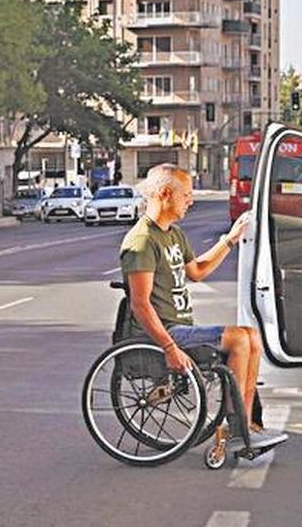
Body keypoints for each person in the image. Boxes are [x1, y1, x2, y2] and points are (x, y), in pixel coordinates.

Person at [119, 164, 287, 454]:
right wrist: (170, 348)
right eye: (186, 194)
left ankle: (244, 427)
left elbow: (196, 271)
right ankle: (238, 430)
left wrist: (230, 240)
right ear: (164, 194)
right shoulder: (142, 241)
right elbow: (140, 304)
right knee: (238, 338)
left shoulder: (173, 234)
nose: (191, 201)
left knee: (251, 337)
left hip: (183, 328)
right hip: (165, 334)